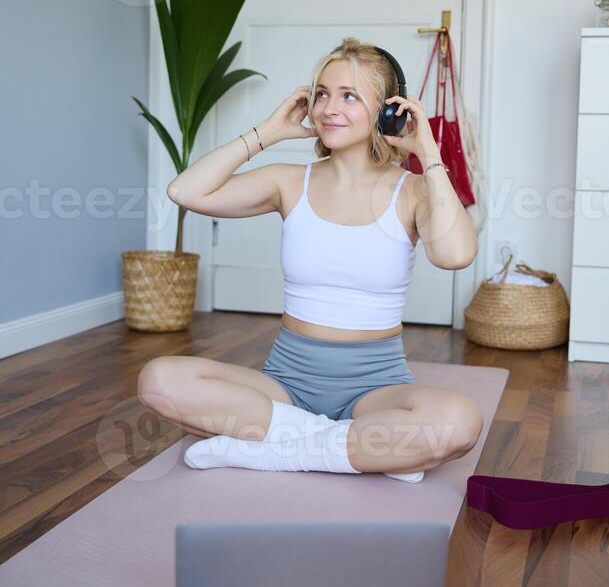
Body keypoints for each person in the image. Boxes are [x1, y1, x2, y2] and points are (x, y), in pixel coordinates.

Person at [137, 37, 482, 482]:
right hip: (285, 385)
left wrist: (427, 152)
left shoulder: (412, 190)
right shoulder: (287, 182)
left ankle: (276, 450)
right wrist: (269, 132)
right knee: (159, 380)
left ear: (389, 111)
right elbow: (185, 192)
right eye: (321, 93)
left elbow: (455, 255)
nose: (328, 108)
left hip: (375, 388)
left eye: (349, 96)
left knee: (459, 421)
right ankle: (352, 446)